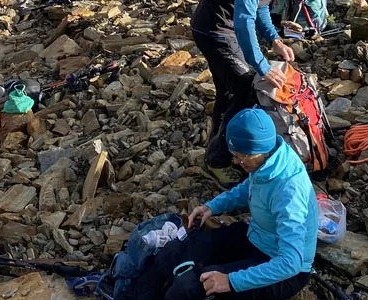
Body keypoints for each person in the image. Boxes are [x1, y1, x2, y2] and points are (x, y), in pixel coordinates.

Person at [190, 0, 333, 185]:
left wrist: (274, 40)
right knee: (246, 89)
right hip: (215, 33)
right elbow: (244, 20)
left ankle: (219, 146)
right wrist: (262, 65)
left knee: (229, 91)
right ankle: (218, 160)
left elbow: (261, 6)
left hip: (219, 29)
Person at [134, 108, 317, 300]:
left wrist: (230, 281)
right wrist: (212, 207)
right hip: (256, 238)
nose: (237, 162)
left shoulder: (290, 192)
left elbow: (291, 263)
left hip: (282, 271)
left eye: (241, 157)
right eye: (234, 155)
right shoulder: (270, 158)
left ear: (260, 151)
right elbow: (251, 187)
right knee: (172, 253)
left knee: (187, 289)